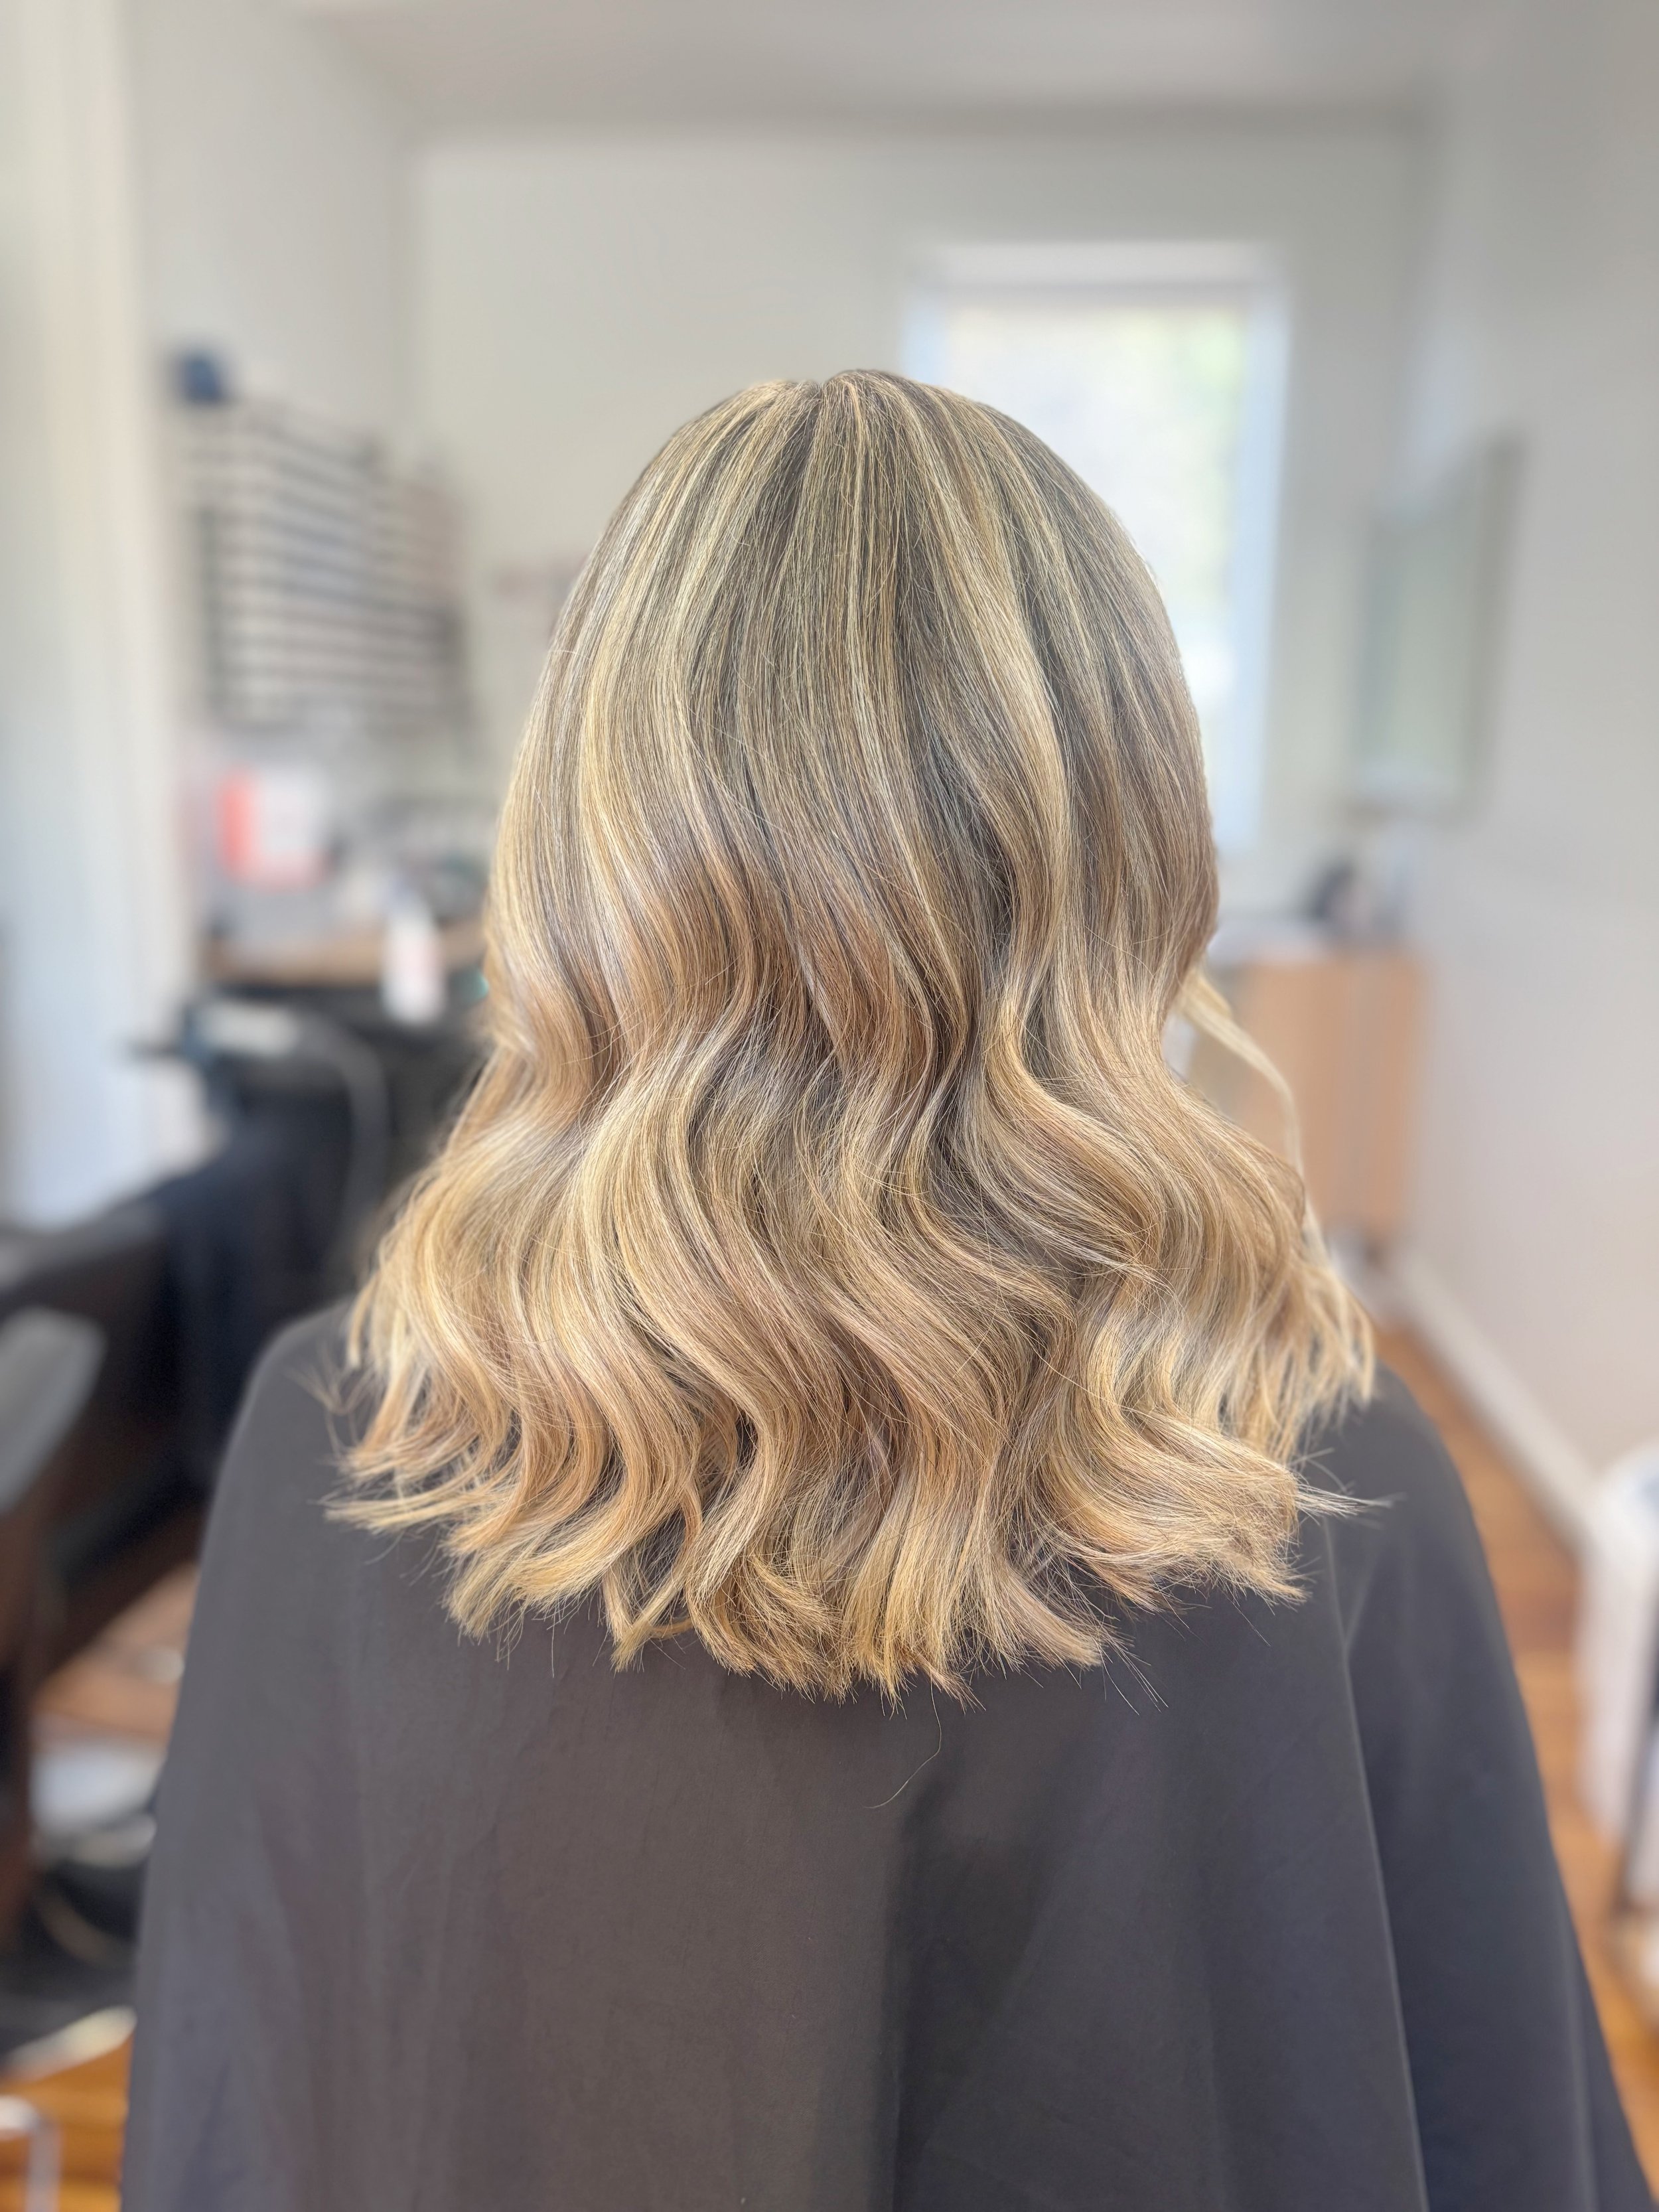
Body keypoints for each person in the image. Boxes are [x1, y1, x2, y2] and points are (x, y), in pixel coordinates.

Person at [123, 373, 1650, 2211]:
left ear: (585, 842)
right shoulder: (1322, 1483)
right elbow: (1491, 2138)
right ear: (1127, 849)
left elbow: (252, 2100)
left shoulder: (344, 1438)